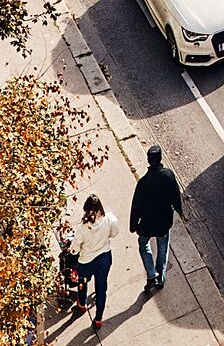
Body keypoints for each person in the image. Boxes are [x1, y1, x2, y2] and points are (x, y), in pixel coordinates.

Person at [127, 144, 181, 294]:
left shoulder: (143, 183)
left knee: (143, 244)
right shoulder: (168, 175)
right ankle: (160, 277)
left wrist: (133, 225)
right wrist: (180, 211)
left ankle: (151, 274)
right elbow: (176, 196)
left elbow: (136, 205)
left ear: (148, 160)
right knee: (163, 247)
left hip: (147, 223)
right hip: (163, 222)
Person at [74, 195, 117, 340]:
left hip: (87, 261)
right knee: (101, 288)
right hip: (104, 257)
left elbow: (75, 248)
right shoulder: (109, 218)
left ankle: (82, 303)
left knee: (83, 282)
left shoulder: (83, 227)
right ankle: (98, 318)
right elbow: (115, 233)